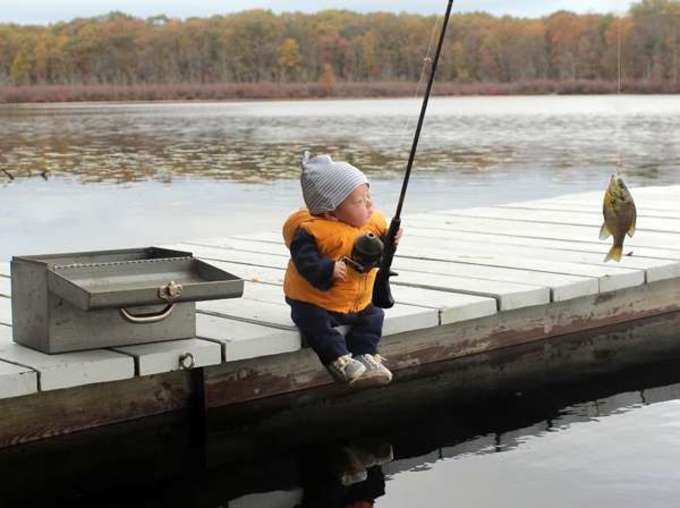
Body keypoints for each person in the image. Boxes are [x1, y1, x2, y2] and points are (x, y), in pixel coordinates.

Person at [283, 151, 400, 386]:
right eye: (358, 201)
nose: (369, 204)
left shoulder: (371, 224)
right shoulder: (309, 232)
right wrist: (328, 270)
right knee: (313, 323)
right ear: (330, 212)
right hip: (316, 302)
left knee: (374, 315)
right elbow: (305, 263)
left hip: (355, 301)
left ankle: (365, 355)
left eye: (368, 196)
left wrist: (391, 242)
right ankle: (338, 360)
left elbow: (377, 258)